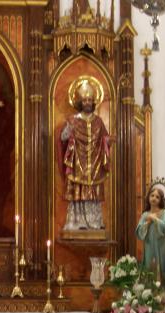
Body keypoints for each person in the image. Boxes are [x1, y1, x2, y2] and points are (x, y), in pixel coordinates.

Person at [61, 79, 111, 231]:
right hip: (78, 162)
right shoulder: (73, 120)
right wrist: (69, 129)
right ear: (80, 102)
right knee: (79, 191)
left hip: (94, 163)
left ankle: (94, 222)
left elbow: (104, 138)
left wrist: (108, 140)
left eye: (90, 100)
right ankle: (78, 222)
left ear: (93, 102)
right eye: (84, 100)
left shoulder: (98, 121)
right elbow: (63, 138)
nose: (87, 102)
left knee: (93, 193)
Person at [135, 184, 165, 288]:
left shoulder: (164, 213)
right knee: (149, 264)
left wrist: (155, 219)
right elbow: (139, 231)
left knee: (160, 264)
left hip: (160, 245)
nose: (154, 198)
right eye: (152, 195)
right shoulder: (145, 214)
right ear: (148, 197)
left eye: (157, 197)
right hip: (149, 245)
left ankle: (162, 288)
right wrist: (148, 221)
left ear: (161, 200)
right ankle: (148, 288)